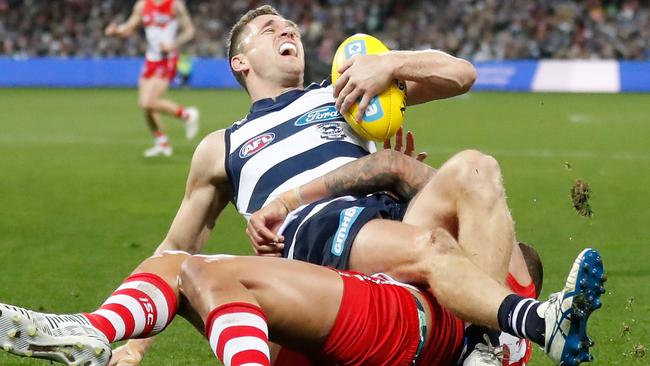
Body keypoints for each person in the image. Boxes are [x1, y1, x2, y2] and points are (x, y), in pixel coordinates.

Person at [105, 0, 200, 157]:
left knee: (148, 102)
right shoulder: (142, 5)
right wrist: (116, 32)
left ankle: (187, 115)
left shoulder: (174, 4)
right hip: (151, 60)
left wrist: (173, 44)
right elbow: (129, 27)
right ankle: (162, 143)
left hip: (167, 58)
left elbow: (189, 31)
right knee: (145, 106)